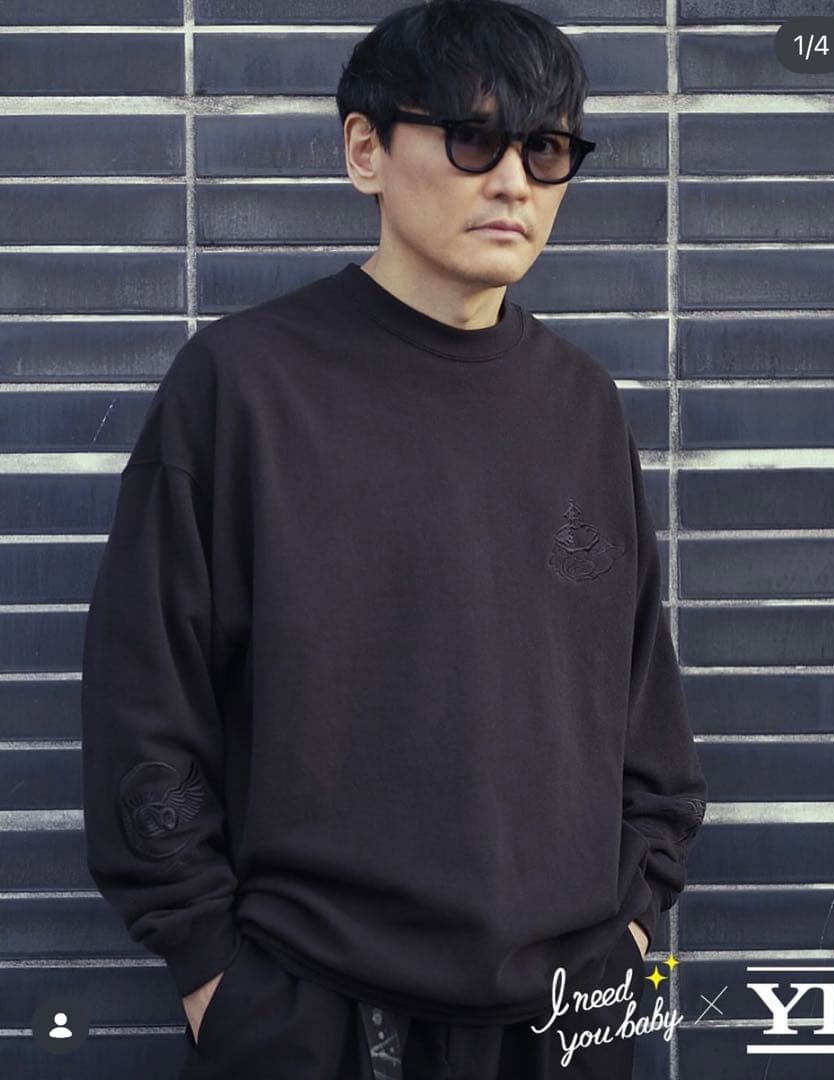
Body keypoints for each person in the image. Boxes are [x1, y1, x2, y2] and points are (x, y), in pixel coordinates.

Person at [79, 1, 708, 1078]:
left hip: (563, 1015)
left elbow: (640, 700)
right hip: (315, 1014)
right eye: (472, 139)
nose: (511, 181)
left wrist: (634, 929)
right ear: (365, 150)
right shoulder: (243, 387)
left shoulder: (581, 404)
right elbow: (146, 702)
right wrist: (214, 975)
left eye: (545, 149)